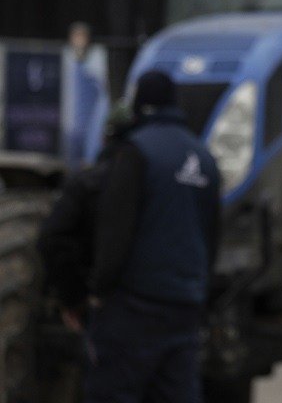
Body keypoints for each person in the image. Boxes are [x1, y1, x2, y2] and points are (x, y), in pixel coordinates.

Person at [85, 70, 221, 403]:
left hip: (135, 306)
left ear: (139, 104)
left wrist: (99, 290)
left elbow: (115, 231)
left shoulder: (136, 152)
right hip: (185, 305)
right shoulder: (204, 158)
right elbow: (212, 234)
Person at [38, 102, 135, 331]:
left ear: (104, 138)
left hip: (98, 303)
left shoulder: (87, 183)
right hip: (147, 305)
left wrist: (74, 299)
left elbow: (53, 239)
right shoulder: (154, 185)